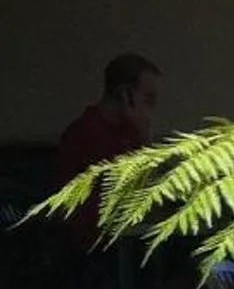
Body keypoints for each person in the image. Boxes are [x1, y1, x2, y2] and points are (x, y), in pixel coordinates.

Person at [53, 53, 160, 249]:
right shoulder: (86, 133)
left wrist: (144, 136)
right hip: (96, 242)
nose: (152, 108)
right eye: (148, 99)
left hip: (127, 236)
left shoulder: (130, 131)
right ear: (125, 95)